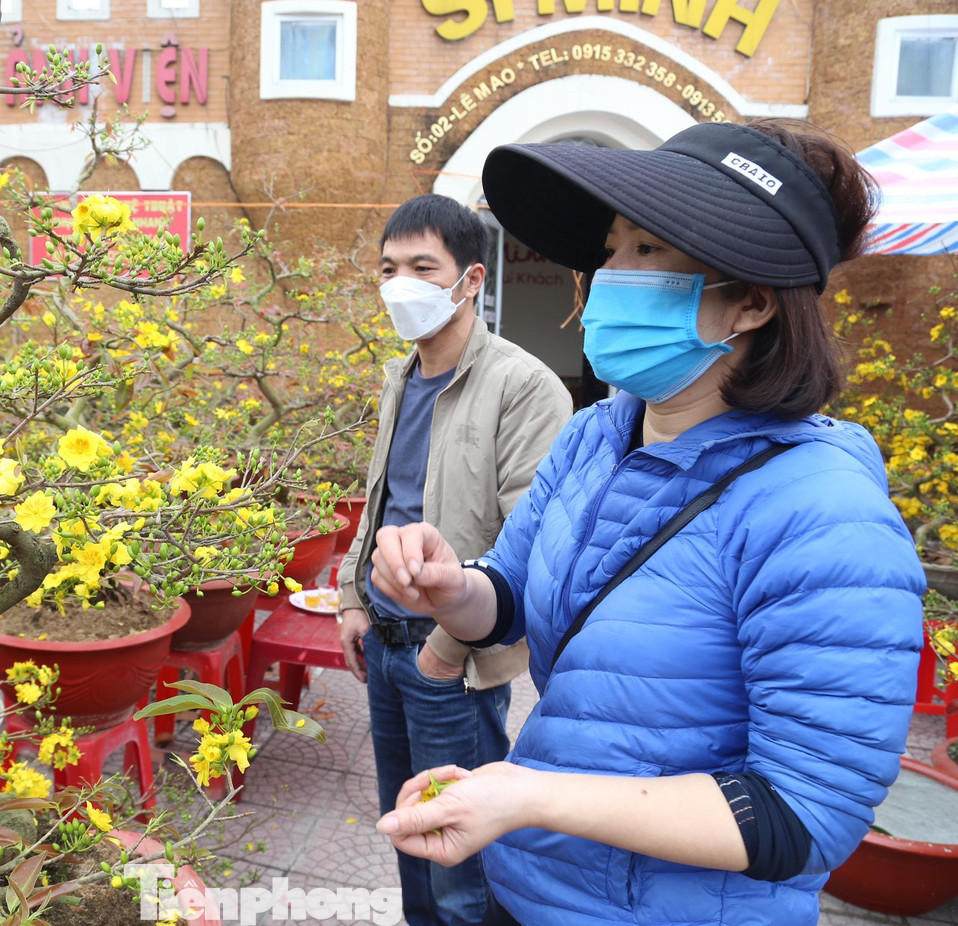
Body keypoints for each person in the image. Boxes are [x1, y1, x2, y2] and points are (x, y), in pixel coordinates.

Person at [370, 119, 925, 926]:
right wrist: (452, 586)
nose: (606, 278)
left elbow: (804, 817)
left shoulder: (823, 512)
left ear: (750, 304)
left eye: (648, 252)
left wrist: (535, 795)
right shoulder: (600, 432)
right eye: (611, 246)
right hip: (533, 890)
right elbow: (512, 597)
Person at [336, 193, 571, 926]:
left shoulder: (524, 386)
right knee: (407, 828)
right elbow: (381, 498)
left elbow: (529, 541)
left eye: (421, 267)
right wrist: (353, 598)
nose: (399, 282)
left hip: (455, 662)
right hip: (385, 641)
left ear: (470, 280)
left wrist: (443, 649)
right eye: (389, 267)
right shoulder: (400, 376)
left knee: (460, 855)